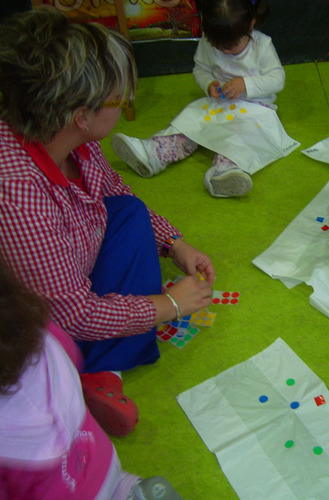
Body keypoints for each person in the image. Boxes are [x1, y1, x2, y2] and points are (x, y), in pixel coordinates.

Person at [0, 8, 214, 437]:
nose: (126, 104)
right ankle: (88, 371)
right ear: (82, 115)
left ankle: (102, 367)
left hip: (68, 264)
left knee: (129, 213)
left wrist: (174, 244)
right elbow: (72, 313)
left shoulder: (70, 136)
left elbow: (115, 192)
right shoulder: (17, 191)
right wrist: (170, 306)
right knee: (46, 354)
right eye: (122, 100)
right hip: (31, 320)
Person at [0, 258, 183, 500]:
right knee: (104, 478)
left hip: (60, 491)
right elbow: (73, 356)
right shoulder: (43, 333)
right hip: (99, 459)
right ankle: (129, 491)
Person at [112, 0, 285, 198]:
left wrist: (245, 84)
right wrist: (209, 83)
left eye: (231, 46)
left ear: (251, 25)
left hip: (256, 108)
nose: (224, 51)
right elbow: (200, 69)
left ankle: (224, 172)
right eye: (218, 46)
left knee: (244, 137)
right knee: (190, 119)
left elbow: (277, 79)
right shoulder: (208, 41)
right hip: (220, 103)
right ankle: (153, 152)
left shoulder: (262, 45)